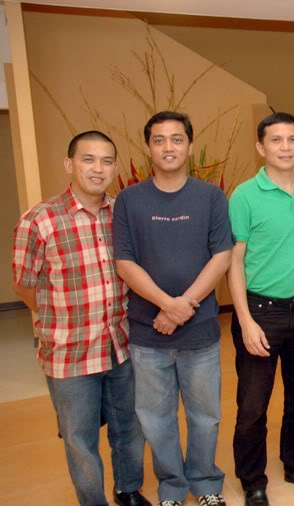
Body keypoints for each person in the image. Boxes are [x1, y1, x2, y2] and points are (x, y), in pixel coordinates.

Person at [12, 131, 150, 506]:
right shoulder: (39, 220)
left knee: (128, 427)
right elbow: (25, 283)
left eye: (107, 161)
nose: (98, 169)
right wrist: (55, 320)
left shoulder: (124, 213)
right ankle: (94, 501)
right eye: (88, 160)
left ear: (116, 168)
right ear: (69, 165)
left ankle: (128, 490)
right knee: (79, 436)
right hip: (69, 353)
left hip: (120, 344)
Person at [113, 112, 232, 506]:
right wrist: (167, 305)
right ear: (148, 148)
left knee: (205, 416)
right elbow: (125, 262)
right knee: (155, 419)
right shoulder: (129, 200)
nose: (168, 147)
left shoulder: (211, 196)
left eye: (177, 139)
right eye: (160, 140)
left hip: (199, 333)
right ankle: (171, 488)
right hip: (148, 335)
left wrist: (184, 307)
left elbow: (221, 256)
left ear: (189, 146)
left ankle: (206, 483)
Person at [228, 112, 294, 506]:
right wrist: (244, 320)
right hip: (261, 311)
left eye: (293, 139)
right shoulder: (244, 195)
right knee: (254, 405)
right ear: (261, 147)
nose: (286, 147)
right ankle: (253, 479)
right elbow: (234, 261)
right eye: (276, 140)